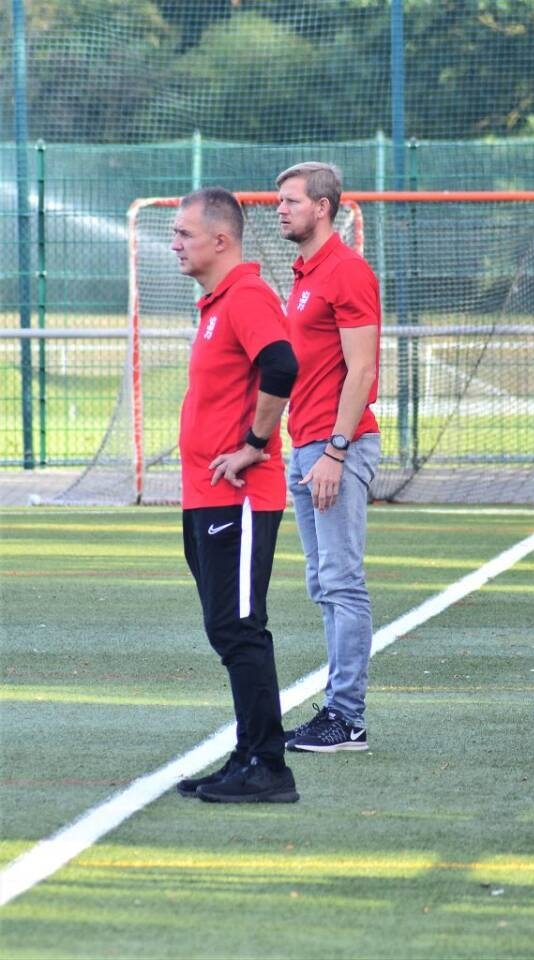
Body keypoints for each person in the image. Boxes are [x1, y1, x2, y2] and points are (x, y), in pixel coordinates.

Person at [170, 186, 300, 803]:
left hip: (239, 497)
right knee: (226, 628)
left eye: (184, 234)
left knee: (240, 627)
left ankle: (269, 767)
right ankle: (247, 755)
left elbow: (282, 365)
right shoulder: (216, 302)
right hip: (206, 495)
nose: (174, 244)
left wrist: (253, 443)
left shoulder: (246, 295)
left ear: (220, 240)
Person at [276, 161, 381, 753]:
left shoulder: (346, 270)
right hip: (306, 446)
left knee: (341, 581)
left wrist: (336, 450)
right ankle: (339, 712)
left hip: (336, 446)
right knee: (323, 583)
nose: (280, 210)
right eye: (279, 201)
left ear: (322, 207)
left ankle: (347, 718)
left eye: (291, 201)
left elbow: (361, 370)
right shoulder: (304, 273)